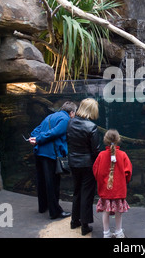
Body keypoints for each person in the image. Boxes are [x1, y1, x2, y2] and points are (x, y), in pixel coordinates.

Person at [29, 101, 77, 219]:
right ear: (71, 112)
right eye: (74, 113)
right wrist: (39, 139)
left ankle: (43, 207)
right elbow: (55, 133)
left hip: (39, 153)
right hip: (50, 155)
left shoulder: (50, 116)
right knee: (53, 183)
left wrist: (34, 138)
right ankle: (55, 212)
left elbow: (35, 130)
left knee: (42, 181)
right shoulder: (65, 119)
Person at [66, 98, 101, 235]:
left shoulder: (70, 122)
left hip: (73, 162)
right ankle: (85, 225)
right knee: (87, 194)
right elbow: (95, 150)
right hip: (87, 165)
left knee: (77, 191)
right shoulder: (91, 127)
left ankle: (74, 221)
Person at [93, 129, 132, 238]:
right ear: (118, 140)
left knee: (105, 211)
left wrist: (101, 182)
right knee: (118, 212)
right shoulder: (123, 155)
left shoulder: (101, 155)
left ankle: (106, 233)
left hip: (105, 190)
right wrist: (124, 182)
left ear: (105, 140)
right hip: (119, 190)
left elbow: (96, 171)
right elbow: (128, 172)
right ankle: (119, 232)